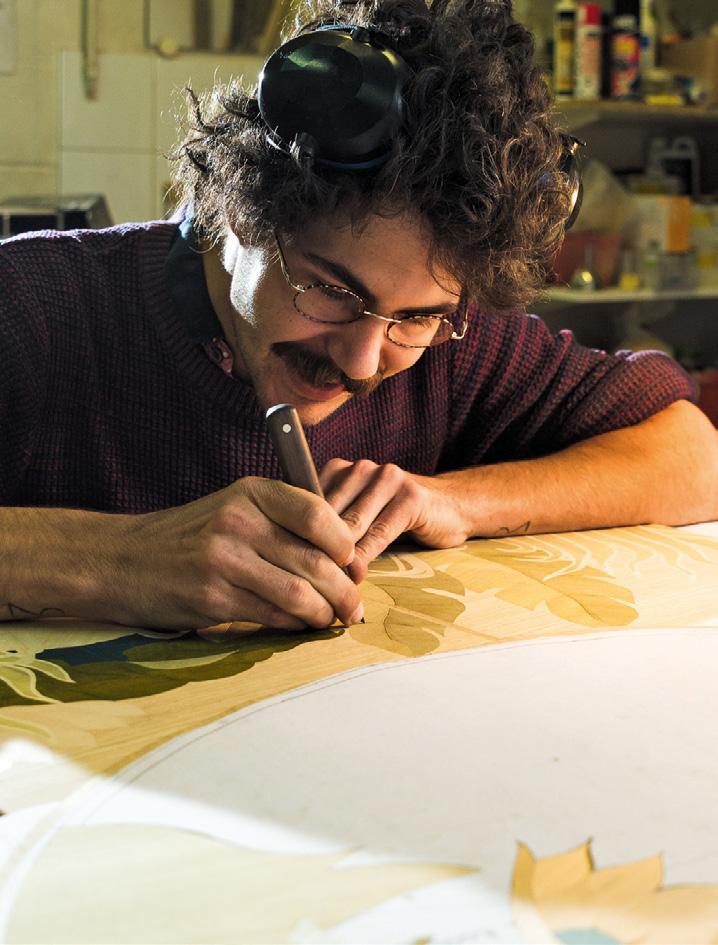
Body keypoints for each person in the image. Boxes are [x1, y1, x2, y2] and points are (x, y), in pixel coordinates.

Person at [1, 0, 716, 634]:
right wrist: (119, 557)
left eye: (417, 317)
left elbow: (694, 458)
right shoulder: (34, 304)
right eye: (333, 291)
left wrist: (455, 501)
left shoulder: (446, 341)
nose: (364, 362)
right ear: (238, 212)